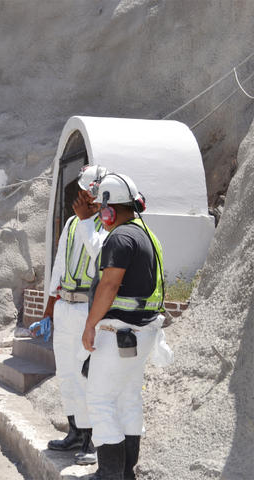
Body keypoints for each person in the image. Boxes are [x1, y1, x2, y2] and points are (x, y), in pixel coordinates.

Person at [81, 173, 167, 480]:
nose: (100, 216)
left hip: (118, 333)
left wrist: (90, 325)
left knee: (100, 399)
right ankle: (126, 472)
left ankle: (109, 473)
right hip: (143, 333)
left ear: (109, 210)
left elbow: (109, 285)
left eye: (101, 210)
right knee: (129, 398)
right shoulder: (147, 235)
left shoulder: (119, 238)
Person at [32, 164, 108, 465]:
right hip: (65, 307)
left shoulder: (105, 223)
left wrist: (88, 221)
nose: (82, 198)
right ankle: (75, 431)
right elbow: (60, 267)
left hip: (86, 309)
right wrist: (49, 310)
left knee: (84, 375)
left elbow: (99, 254)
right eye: (81, 193)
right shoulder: (72, 223)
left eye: (87, 193)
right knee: (65, 373)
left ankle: (92, 439)